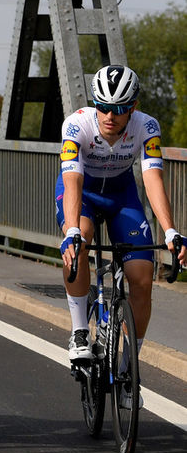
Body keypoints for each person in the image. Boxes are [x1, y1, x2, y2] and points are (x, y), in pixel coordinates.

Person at [58, 64, 186, 404]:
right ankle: (80, 332)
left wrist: (171, 230)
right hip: (83, 193)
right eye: (103, 106)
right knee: (81, 237)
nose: (109, 116)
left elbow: (152, 179)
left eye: (118, 109)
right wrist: (71, 229)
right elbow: (71, 180)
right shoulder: (76, 124)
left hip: (121, 195)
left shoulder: (147, 127)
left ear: (133, 106)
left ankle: (130, 371)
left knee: (141, 278)